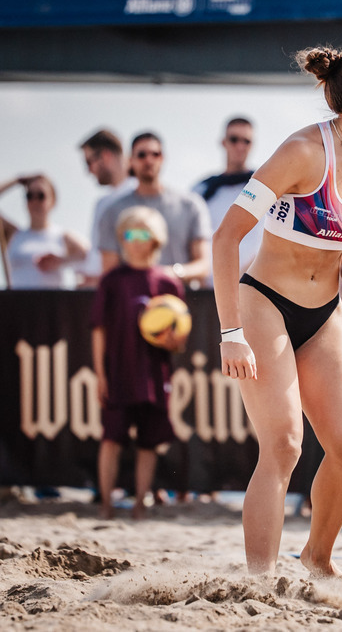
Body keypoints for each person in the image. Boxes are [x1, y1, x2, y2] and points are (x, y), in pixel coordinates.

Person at [212, 45, 342, 577]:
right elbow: (226, 238)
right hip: (265, 302)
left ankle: (317, 559)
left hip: (324, 313)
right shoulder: (304, 151)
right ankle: (258, 584)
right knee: (283, 446)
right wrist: (230, 331)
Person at [91, 206, 185, 519]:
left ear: (155, 239)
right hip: (119, 373)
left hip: (153, 375)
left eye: (142, 233)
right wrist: (100, 375)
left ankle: (139, 505)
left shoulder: (168, 282)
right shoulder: (112, 281)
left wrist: (174, 340)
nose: (134, 240)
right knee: (111, 438)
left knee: (148, 443)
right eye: (129, 234)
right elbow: (98, 331)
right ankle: (105, 506)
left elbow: (180, 337)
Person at [97, 132, 213, 287]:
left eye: (155, 154)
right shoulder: (112, 211)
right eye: (142, 155)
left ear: (163, 158)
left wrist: (170, 274)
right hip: (132, 303)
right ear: (130, 161)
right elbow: (109, 273)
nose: (149, 160)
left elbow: (203, 265)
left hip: (178, 304)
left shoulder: (190, 205)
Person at [193, 117, 263, 284]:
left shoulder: (265, 187)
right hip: (207, 288)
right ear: (223, 142)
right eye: (234, 139)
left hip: (253, 285)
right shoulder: (202, 190)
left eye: (246, 141)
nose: (240, 146)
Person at [0, 173, 88, 289]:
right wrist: (17, 180)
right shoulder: (14, 235)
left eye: (41, 195)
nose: (35, 201)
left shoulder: (62, 236)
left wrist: (61, 261)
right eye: (30, 196)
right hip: (17, 305)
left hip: (52, 304)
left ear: (53, 201)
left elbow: (91, 255)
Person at [80, 129, 137, 286]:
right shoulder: (101, 203)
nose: (88, 170)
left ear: (105, 156)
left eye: (89, 162)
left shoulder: (140, 196)